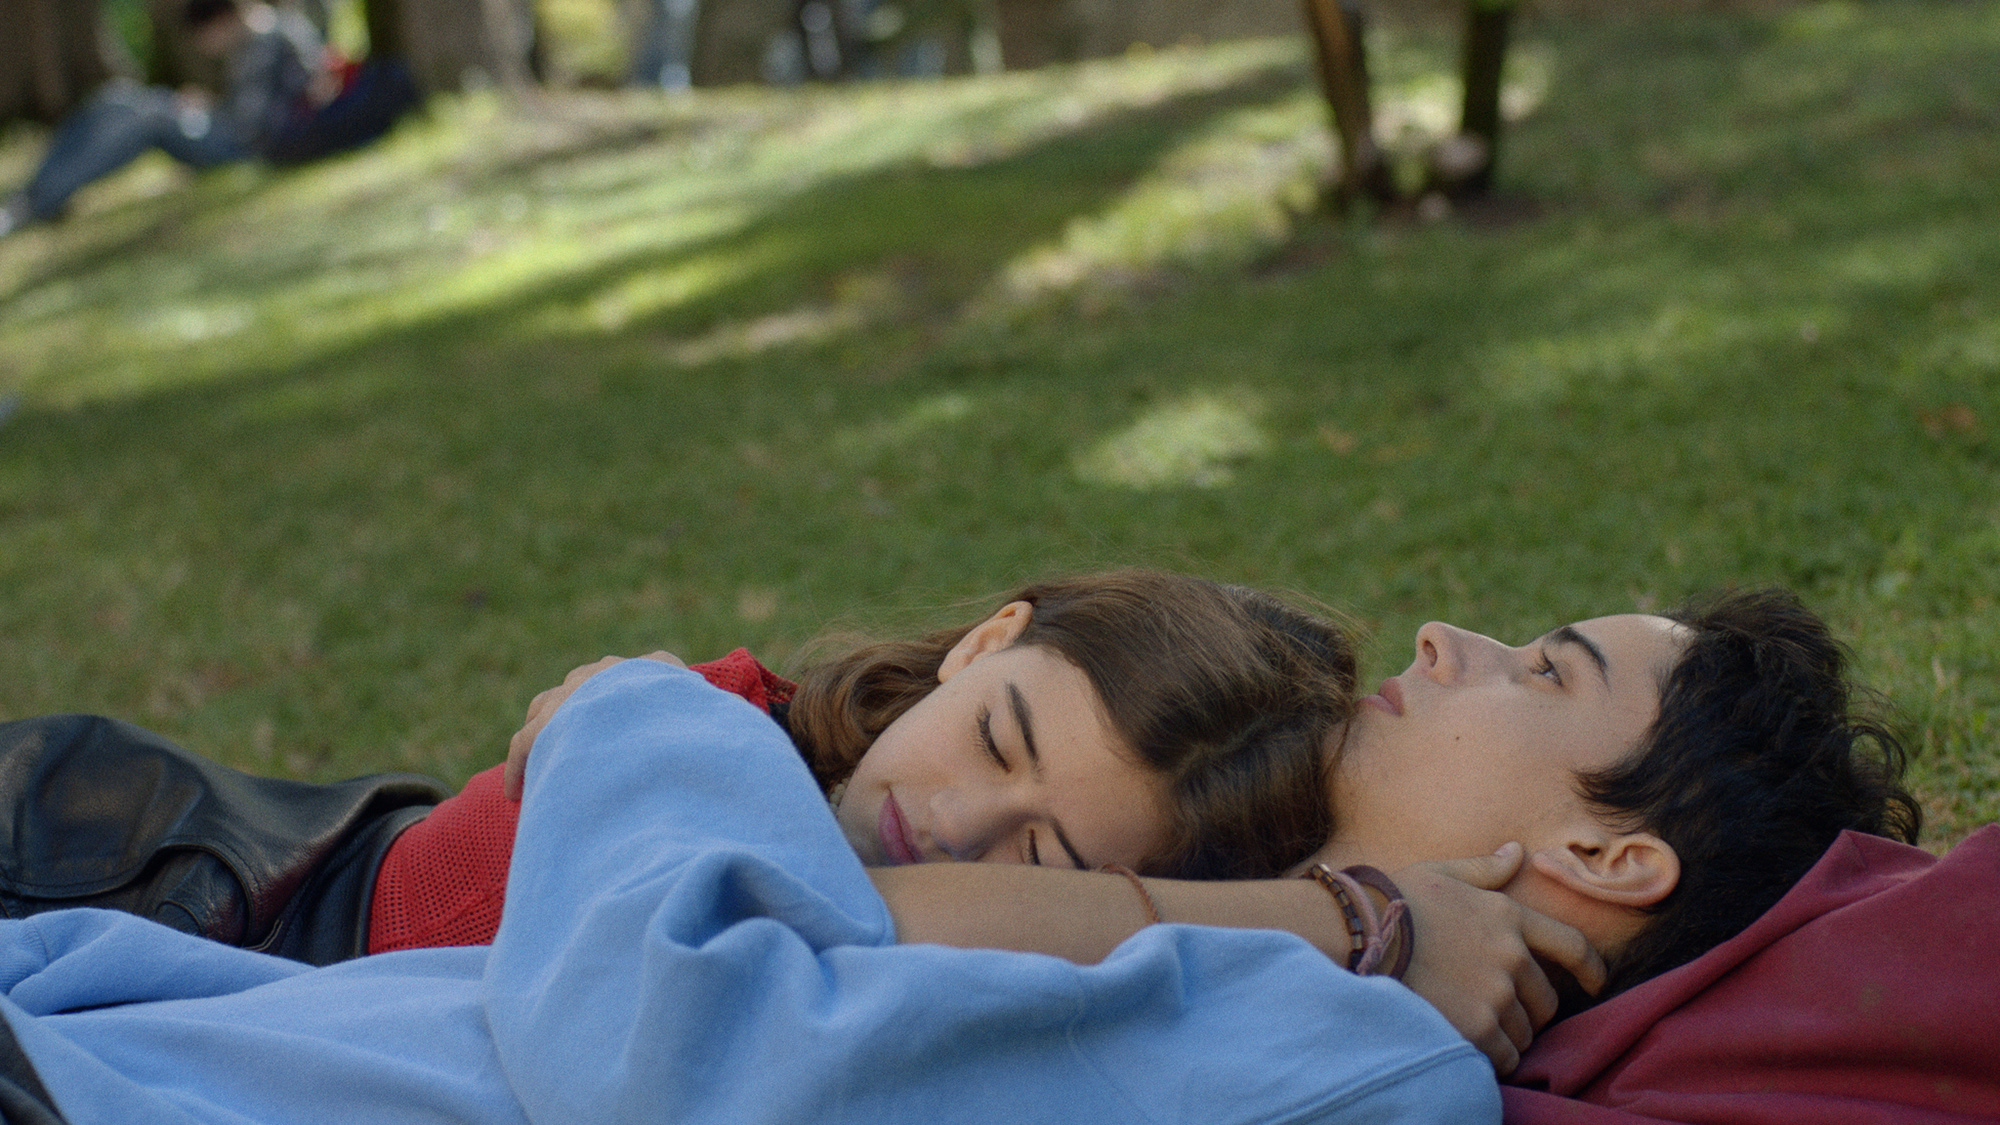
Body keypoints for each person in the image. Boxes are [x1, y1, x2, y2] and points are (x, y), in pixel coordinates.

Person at [0, 569, 1357, 960]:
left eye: (1043, 854)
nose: (956, 819)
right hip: (157, 870)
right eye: (1000, 737)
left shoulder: (927, 963)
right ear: (987, 640)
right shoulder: (714, 724)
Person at [0, 0, 417, 238]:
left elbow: (257, 119)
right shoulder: (259, 38)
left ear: (221, 21)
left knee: (143, 116)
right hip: (231, 129)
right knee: (120, 99)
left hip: (245, 144)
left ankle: (38, 201)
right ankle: (39, 190)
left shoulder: (272, 36)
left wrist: (202, 112)